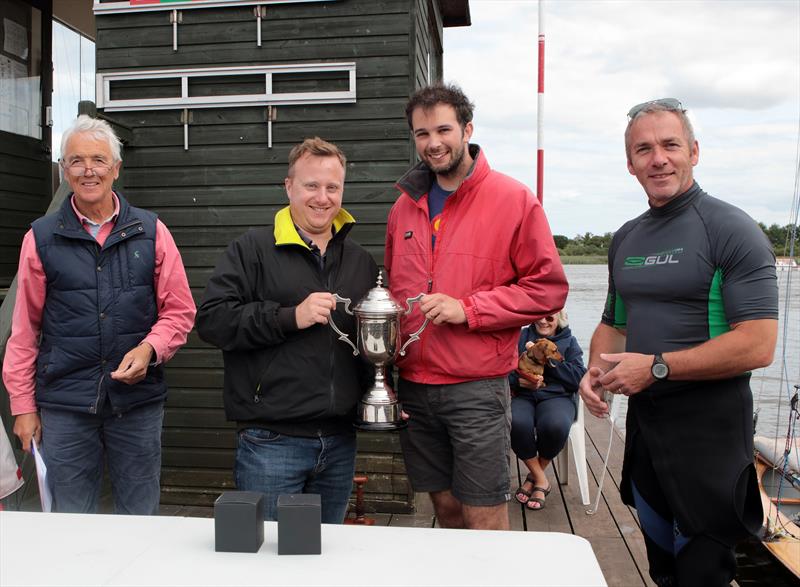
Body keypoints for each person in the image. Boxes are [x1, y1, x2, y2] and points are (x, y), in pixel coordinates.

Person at [578, 98, 778, 586]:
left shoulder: (732, 230)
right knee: (662, 568)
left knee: (703, 573)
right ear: (630, 164)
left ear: (693, 150)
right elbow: (613, 322)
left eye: (670, 145)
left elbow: (758, 345)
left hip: (708, 434)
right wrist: (594, 373)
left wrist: (657, 368)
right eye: (643, 149)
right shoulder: (626, 238)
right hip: (647, 432)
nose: (658, 158)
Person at [384, 83, 568, 530]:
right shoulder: (402, 208)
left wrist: (470, 309)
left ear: (467, 129)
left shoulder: (514, 199)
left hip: (476, 389)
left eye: (443, 129)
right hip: (414, 389)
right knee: (445, 512)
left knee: (485, 519)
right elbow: (392, 295)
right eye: (421, 133)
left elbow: (548, 289)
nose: (433, 142)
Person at [2, 115, 196, 515]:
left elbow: (179, 311)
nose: (88, 170)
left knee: (139, 515)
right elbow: (24, 330)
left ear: (116, 169)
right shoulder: (40, 237)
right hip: (65, 405)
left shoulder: (151, 231)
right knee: (71, 519)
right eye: (76, 161)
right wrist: (22, 406)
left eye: (98, 160)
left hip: (137, 403)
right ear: (63, 170)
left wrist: (149, 349)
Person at [196, 137, 377, 523]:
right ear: (289, 187)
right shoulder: (252, 250)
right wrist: (288, 317)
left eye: (333, 187)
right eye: (311, 185)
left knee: (324, 557)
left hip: (340, 440)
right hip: (271, 442)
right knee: (269, 563)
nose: (323, 198)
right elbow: (212, 321)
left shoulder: (361, 261)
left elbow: (371, 345)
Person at [510, 311, 585, 511]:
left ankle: (533, 478)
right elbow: (502, 368)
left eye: (550, 317)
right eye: (539, 316)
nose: (543, 321)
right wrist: (518, 381)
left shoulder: (569, 342)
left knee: (555, 425)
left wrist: (548, 362)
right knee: (515, 422)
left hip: (556, 397)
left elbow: (579, 377)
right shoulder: (520, 337)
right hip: (522, 395)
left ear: (560, 319)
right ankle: (542, 480)